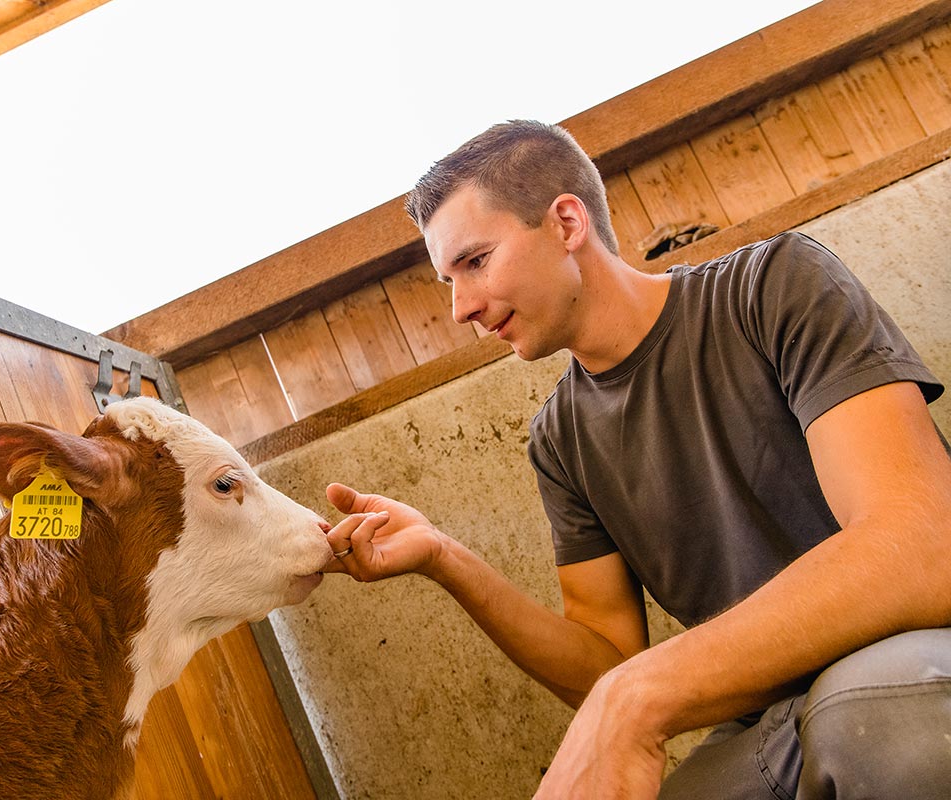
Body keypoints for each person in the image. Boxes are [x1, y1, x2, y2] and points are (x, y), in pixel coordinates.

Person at [321, 120, 951, 799]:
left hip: (911, 658)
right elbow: (607, 664)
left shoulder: (772, 287)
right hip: (763, 721)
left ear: (567, 223)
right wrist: (447, 558)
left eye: (474, 262)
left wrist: (641, 693)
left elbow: (920, 544)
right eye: (449, 280)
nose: (460, 308)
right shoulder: (559, 442)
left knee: (879, 733)